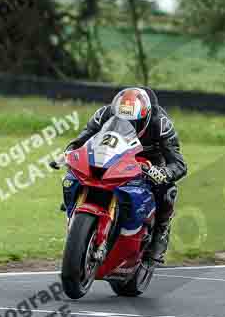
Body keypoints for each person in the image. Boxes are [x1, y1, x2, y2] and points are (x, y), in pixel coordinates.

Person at [63, 87, 187, 264]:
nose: (126, 125)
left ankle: (161, 231)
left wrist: (164, 172)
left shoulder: (161, 125)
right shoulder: (104, 114)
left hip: (149, 163)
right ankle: (73, 210)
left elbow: (179, 164)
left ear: (144, 118)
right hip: (114, 154)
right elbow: (80, 141)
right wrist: (69, 152)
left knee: (167, 191)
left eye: (132, 122)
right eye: (120, 120)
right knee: (73, 175)